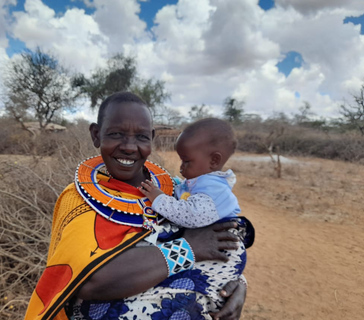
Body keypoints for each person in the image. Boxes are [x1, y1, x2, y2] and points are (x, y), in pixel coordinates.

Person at [24, 92, 252, 320]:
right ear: (96, 135)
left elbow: (221, 237)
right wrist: (188, 248)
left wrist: (234, 284)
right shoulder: (79, 199)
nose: (129, 147)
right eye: (116, 134)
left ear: (151, 138)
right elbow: (89, 280)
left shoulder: (172, 190)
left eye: (141, 137)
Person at [139, 118, 250, 312]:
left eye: (186, 161)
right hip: (210, 244)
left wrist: (159, 199)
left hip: (222, 250)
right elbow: (184, 191)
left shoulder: (213, 188)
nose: (182, 167)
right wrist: (170, 184)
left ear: (214, 160)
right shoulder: (202, 180)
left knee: (197, 294)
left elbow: (191, 216)